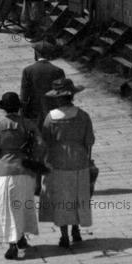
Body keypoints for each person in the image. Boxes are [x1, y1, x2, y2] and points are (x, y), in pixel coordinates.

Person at [38, 78, 95, 248]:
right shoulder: (83, 116)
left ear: (57, 98)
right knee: (78, 196)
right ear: (72, 96)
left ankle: (64, 235)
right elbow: (89, 141)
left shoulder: (51, 117)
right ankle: (76, 229)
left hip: (58, 161)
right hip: (79, 160)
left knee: (61, 199)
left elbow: (45, 141)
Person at [0, 92, 40, 259]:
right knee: (22, 206)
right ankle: (21, 238)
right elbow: (40, 145)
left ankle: (12, 244)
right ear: (18, 107)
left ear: (4, 109)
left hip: (3, 171)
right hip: (25, 171)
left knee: (6, 209)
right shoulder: (28, 124)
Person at [20, 41, 65, 128]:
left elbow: (24, 95)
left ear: (36, 53)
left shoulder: (28, 70)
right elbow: (62, 94)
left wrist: (22, 114)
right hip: (53, 110)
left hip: (34, 111)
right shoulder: (58, 71)